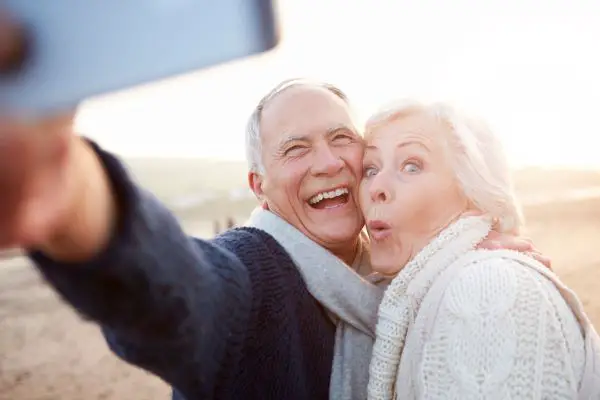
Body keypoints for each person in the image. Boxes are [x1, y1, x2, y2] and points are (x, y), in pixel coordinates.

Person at [0, 79, 549, 400]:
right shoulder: (255, 273)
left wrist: (460, 256)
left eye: (341, 139)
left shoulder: (395, 279)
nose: (329, 162)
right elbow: (180, 293)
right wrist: (70, 192)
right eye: (296, 149)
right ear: (260, 189)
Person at [355, 100, 600, 399]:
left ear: (472, 191)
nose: (375, 186)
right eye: (370, 168)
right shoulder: (415, 296)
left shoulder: (485, 287)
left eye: (411, 165)